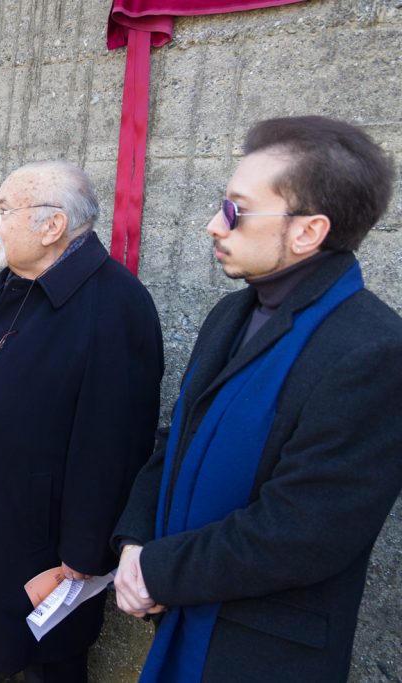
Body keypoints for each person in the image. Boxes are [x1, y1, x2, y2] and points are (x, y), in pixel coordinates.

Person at [112, 116, 402, 682]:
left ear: (307, 232)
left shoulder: (373, 349)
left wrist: (159, 570)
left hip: (259, 650)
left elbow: (305, 531)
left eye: (235, 210)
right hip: (182, 610)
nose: (211, 225)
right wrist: (135, 540)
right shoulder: (233, 312)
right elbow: (179, 437)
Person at [0, 161, 164, 682]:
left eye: (3, 210)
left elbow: (114, 446)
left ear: (52, 227)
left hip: (41, 541)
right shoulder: (14, 283)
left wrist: (83, 553)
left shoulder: (116, 307)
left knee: (51, 661)